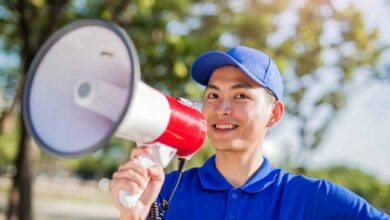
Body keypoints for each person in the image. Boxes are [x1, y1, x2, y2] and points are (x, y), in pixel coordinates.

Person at [110, 46, 389, 220]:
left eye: (241, 95)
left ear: (274, 114)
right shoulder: (163, 190)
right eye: (213, 95)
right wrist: (132, 215)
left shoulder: (311, 197)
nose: (222, 108)